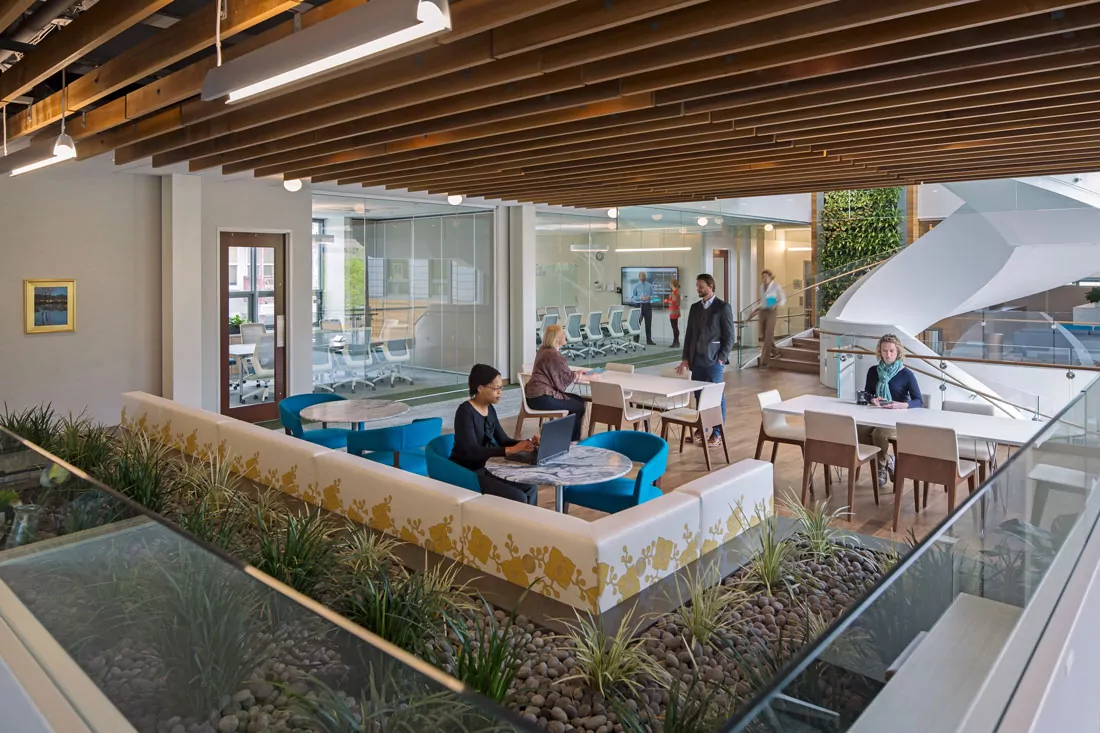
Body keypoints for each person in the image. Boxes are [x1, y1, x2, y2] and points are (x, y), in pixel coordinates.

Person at [452, 364, 540, 505]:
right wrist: (511, 450)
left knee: (530, 487)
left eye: (501, 388)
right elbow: (471, 451)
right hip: (470, 470)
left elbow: (503, 440)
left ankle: (530, 525)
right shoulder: (465, 412)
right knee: (518, 497)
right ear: (480, 388)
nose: (500, 392)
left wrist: (528, 442)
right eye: (496, 388)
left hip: (488, 466)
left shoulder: (490, 409)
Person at [676, 274, 735, 448]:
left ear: (710, 286)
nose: (698, 289)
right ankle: (702, 429)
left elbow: (730, 337)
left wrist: (721, 359)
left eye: (701, 286)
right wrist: (685, 358)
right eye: (697, 286)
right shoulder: (695, 308)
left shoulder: (723, 308)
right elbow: (689, 335)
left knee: (716, 396)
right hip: (697, 360)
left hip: (714, 360)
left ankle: (717, 433)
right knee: (698, 395)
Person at [861, 334, 923, 487]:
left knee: (878, 434)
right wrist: (872, 399)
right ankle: (889, 460)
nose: (888, 355)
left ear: (898, 352)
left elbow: (919, 401)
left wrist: (901, 405)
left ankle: (880, 467)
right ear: (879, 352)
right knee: (858, 431)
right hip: (876, 413)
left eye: (891, 351)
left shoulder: (907, 374)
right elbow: (867, 393)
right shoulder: (873, 371)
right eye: (884, 351)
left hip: (897, 416)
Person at [526, 324, 591, 441]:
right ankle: (571, 440)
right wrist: (592, 377)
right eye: (563, 334)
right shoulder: (554, 355)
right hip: (542, 397)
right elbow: (567, 377)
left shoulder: (543, 350)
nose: (565, 336)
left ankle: (569, 437)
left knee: (579, 400)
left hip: (534, 396)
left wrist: (576, 373)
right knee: (578, 406)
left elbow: (561, 372)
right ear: (557, 338)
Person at [750, 270, 786, 369]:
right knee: (764, 335)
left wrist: (776, 304)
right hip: (763, 311)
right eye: (762, 277)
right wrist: (756, 310)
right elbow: (763, 301)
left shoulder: (776, 287)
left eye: (765, 277)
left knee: (768, 335)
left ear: (770, 277)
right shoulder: (762, 287)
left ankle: (764, 362)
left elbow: (783, 299)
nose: (764, 279)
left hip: (772, 312)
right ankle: (776, 351)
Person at [630, 271, 658, 346]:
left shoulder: (649, 285)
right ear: (639, 277)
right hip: (639, 305)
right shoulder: (636, 286)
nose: (643, 277)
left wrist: (649, 297)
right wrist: (640, 297)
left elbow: (653, 296)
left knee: (648, 324)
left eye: (644, 276)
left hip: (647, 306)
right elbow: (632, 297)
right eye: (641, 276)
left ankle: (649, 340)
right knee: (637, 323)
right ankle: (636, 340)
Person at [665, 278, 681, 348]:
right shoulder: (677, 291)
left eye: (670, 283)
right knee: (675, 327)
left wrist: (666, 301)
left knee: (674, 327)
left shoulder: (674, 292)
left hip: (673, 312)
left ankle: (676, 342)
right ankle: (676, 342)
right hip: (676, 311)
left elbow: (674, 302)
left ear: (672, 284)